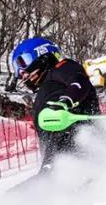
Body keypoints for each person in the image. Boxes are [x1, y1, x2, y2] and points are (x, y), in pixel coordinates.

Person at [11, 37, 101, 173]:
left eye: (22, 62)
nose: (21, 74)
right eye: (17, 69)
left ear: (41, 53)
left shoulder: (62, 68)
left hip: (83, 147)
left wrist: (65, 102)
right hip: (58, 157)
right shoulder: (45, 89)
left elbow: (79, 82)